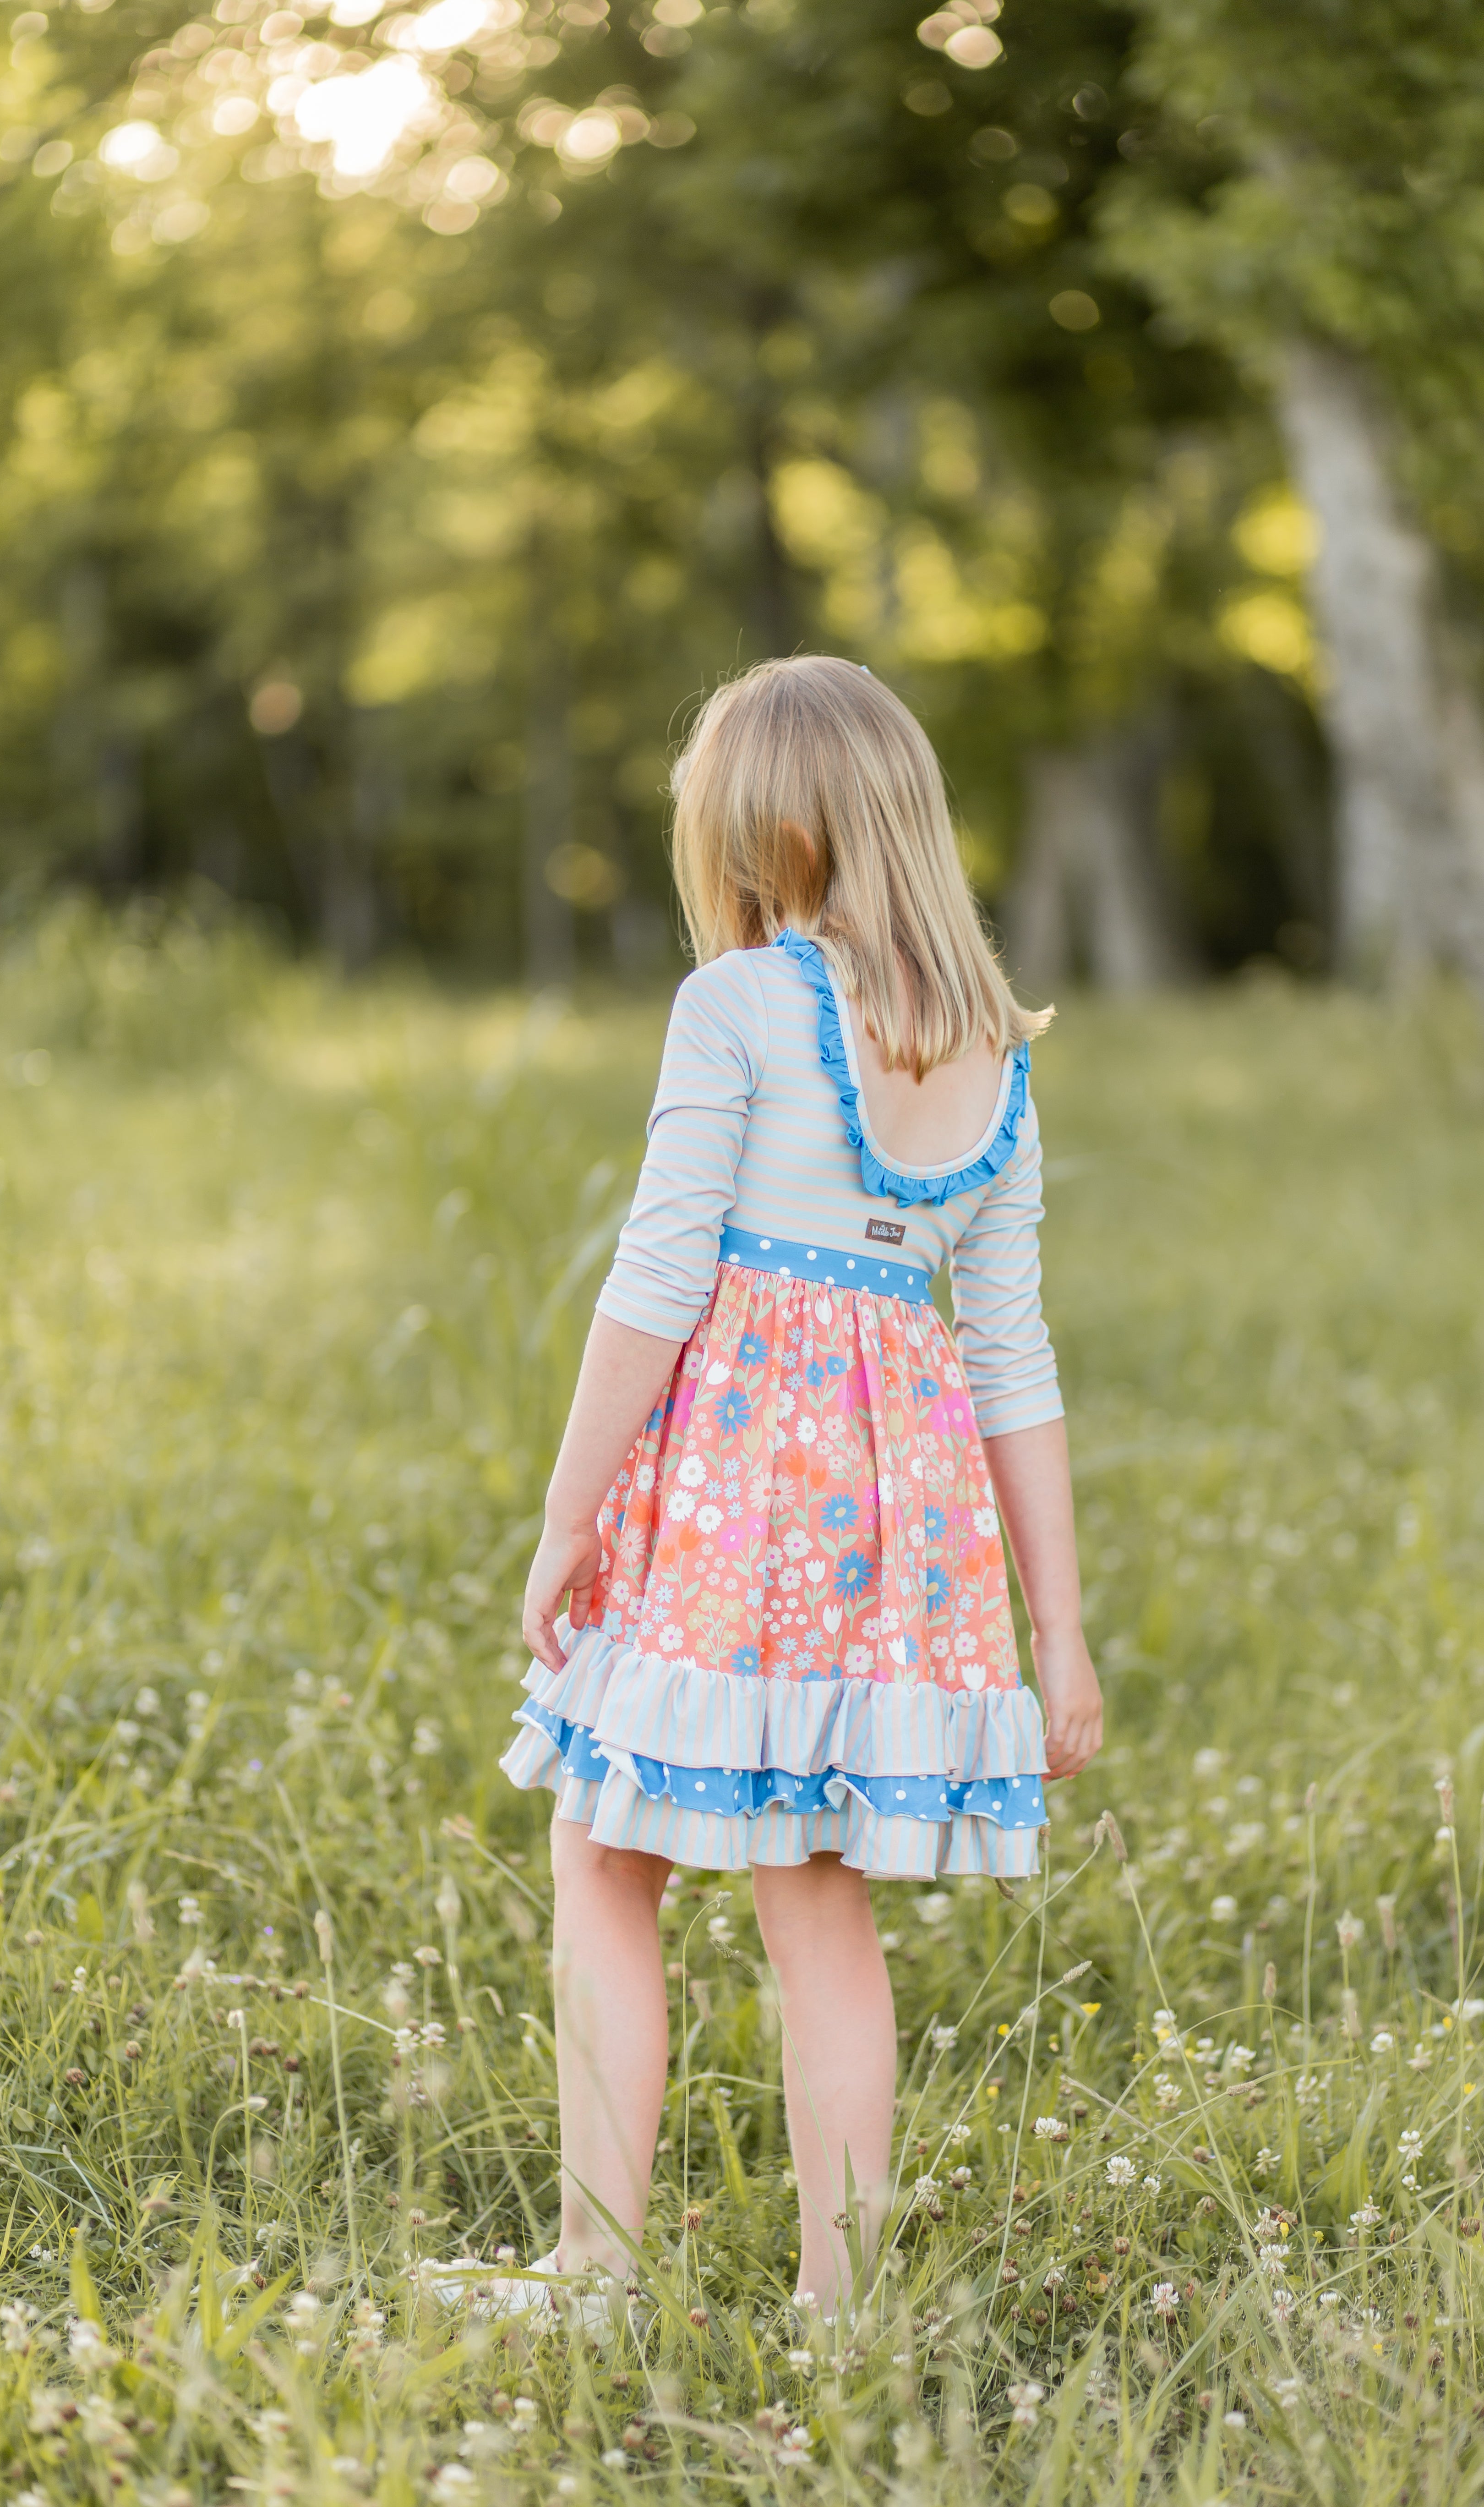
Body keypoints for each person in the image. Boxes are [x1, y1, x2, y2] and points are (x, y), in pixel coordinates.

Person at [496, 655, 1102, 2321]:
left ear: (757, 834)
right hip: (891, 1543)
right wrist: (1061, 1631)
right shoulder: (993, 1046)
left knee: (604, 1858)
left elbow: (658, 1276)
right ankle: (839, 2325)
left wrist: (567, 1522)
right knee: (818, 1901)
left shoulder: (743, 1002)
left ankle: (594, 2271)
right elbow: (1011, 1360)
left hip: (732, 1511)